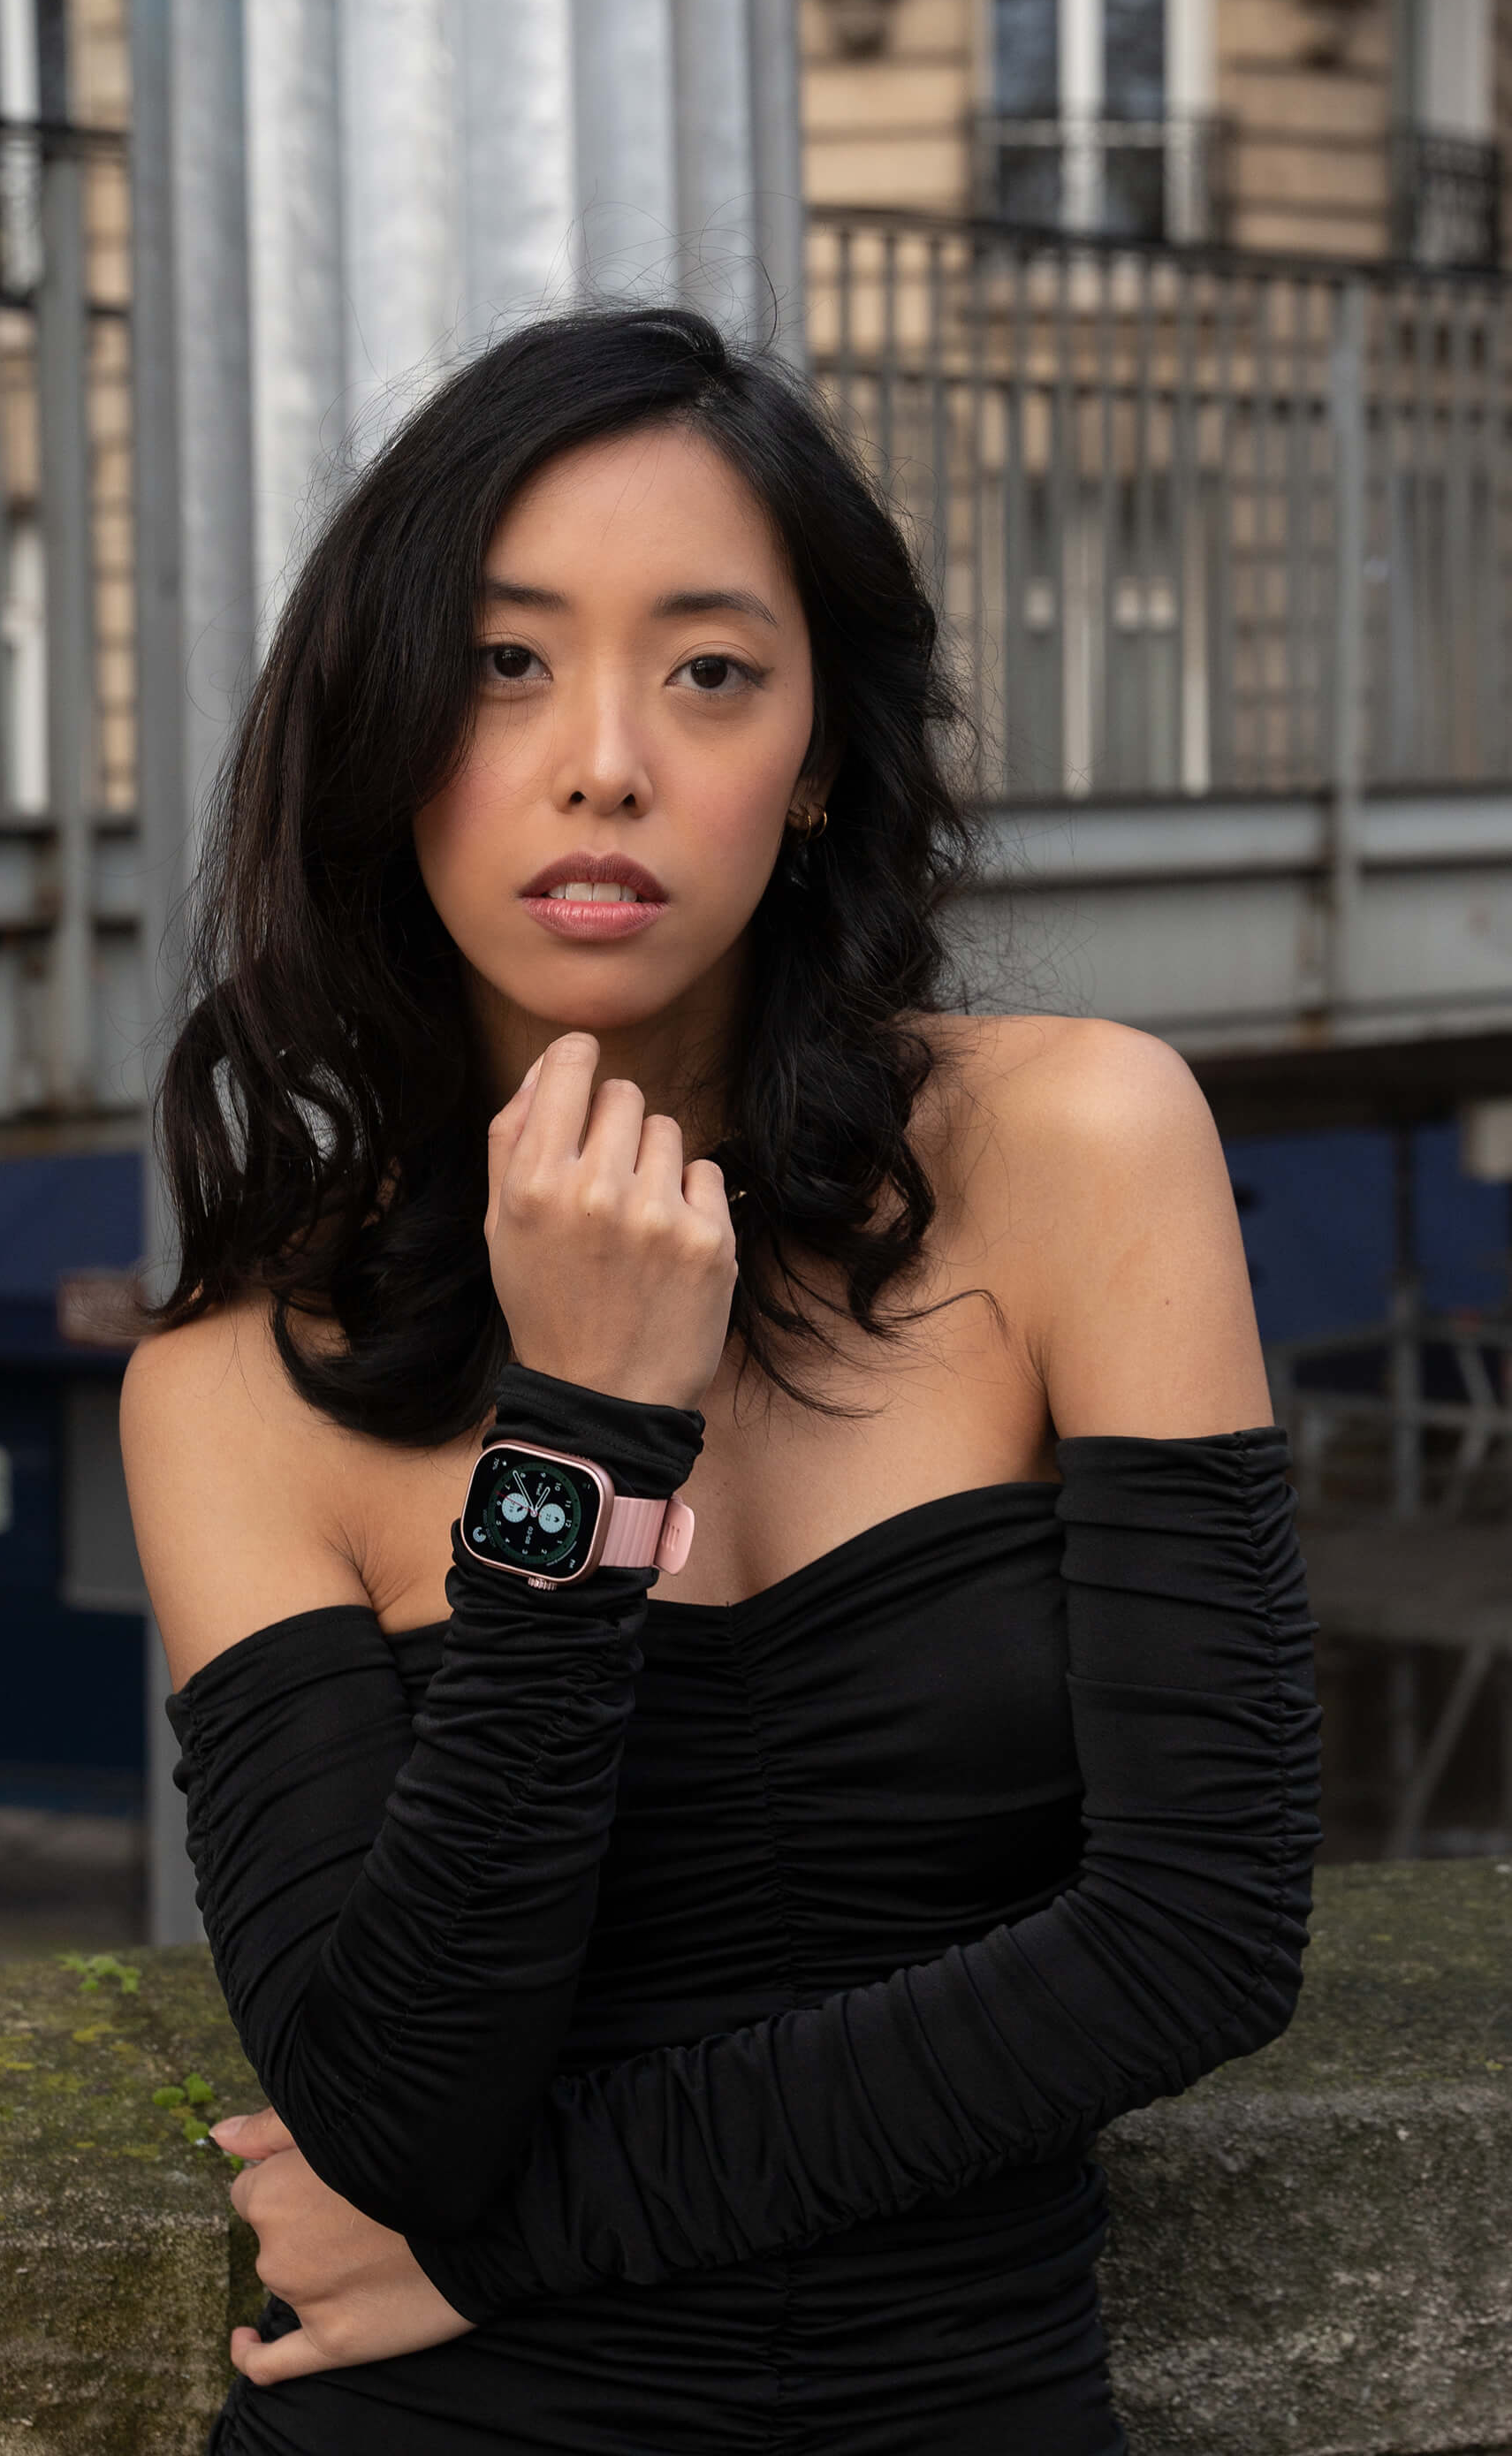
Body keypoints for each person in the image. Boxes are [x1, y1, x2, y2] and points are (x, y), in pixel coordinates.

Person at [121, 305, 1321, 2456]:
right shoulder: (233, 1383)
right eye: (504, 664)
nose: (604, 759)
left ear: (824, 750)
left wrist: (496, 2244)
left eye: (708, 670)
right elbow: (384, 2103)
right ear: (387, 731)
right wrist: (580, 1438)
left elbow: (1199, 1933)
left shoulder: (1078, 1150)